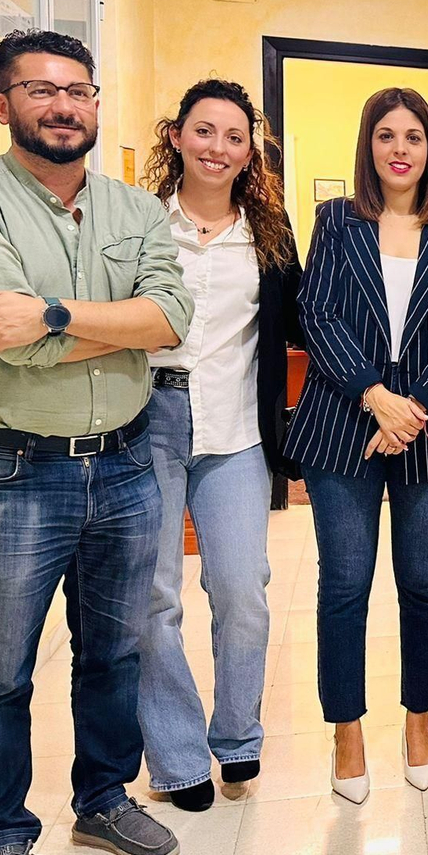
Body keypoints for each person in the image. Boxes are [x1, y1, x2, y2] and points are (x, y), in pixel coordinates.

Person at [0, 29, 192, 855]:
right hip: (9, 468)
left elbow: (172, 318)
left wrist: (57, 315)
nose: (63, 105)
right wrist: (116, 325)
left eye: (77, 89)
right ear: (3, 105)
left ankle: (104, 799)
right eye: (40, 90)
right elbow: (3, 334)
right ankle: (1, 837)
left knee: (112, 651)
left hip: (123, 459)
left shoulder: (133, 208)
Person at [284, 87, 428, 804]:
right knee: (344, 586)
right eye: (386, 136)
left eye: (414, 137)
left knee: (424, 584)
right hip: (343, 427)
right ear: (369, 147)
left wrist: (413, 408)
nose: (401, 149)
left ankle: (421, 717)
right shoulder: (336, 221)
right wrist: (374, 396)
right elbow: (317, 311)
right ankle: (346, 728)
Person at [136, 79, 303, 810]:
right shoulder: (140, 223)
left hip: (236, 431)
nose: (219, 148)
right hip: (147, 423)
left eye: (235, 138)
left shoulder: (266, 234)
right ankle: (176, 760)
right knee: (153, 599)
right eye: (205, 132)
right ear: (176, 136)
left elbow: (297, 326)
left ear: (249, 153)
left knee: (243, 591)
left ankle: (236, 737)